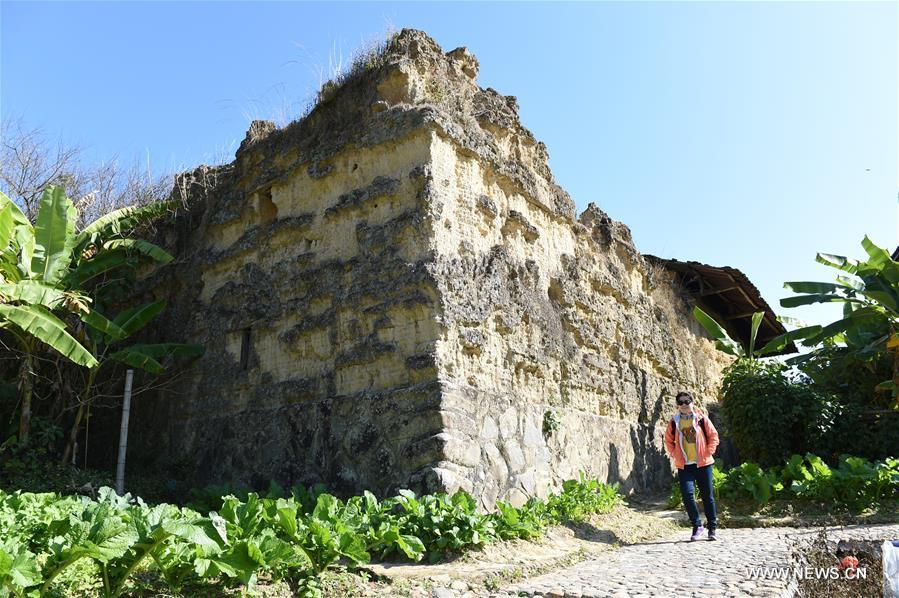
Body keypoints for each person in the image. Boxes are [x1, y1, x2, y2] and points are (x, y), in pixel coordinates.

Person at [663, 391, 720, 541]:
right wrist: (674, 454)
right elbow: (668, 440)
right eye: (680, 402)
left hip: (703, 464)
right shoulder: (674, 421)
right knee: (688, 496)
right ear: (677, 405)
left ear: (692, 402)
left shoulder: (701, 419)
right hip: (685, 466)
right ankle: (697, 525)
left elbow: (714, 436)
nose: (683, 405)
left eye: (686, 401)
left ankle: (712, 528)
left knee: (708, 497)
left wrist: (708, 452)